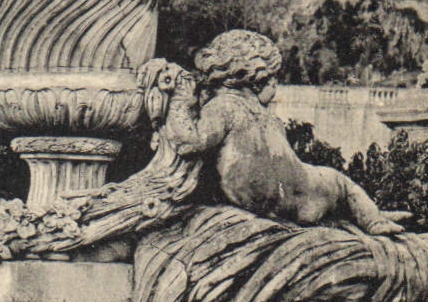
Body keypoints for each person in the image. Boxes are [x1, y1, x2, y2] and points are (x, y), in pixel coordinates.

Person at [150, 30, 406, 234]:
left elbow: (189, 141)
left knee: (336, 183)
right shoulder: (260, 117)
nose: (275, 84)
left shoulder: (224, 108)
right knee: (339, 182)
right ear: (255, 78)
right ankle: (372, 218)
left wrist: (180, 100)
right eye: (272, 77)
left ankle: (372, 216)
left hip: (268, 199)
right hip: (300, 195)